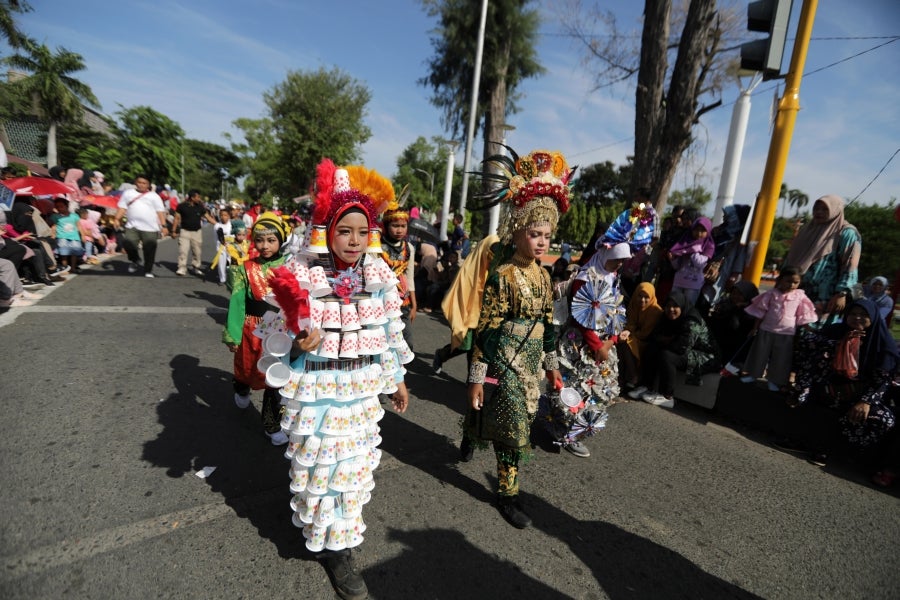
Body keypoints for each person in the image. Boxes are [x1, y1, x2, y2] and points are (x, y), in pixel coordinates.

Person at [265, 159, 410, 600]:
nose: (354, 240)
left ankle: (340, 543)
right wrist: (297, 345)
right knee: (320, 472)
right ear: (327, 231)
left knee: (354, 471)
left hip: (361, 391)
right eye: (344, 230)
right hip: (315, 392)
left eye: (362, 231)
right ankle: (332, 548)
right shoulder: (302, 274)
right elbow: (274, 339)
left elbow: (389, 333)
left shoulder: (379, 275)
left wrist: (396, 380)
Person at [462, 149, 569, 529]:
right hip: (506, 358)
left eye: (547, 235)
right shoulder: (504, 274)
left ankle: (472, 432)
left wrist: (552, 368)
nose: (541, 242)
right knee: (515, 428)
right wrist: (477, 377)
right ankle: (508, 494)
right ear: (518, 230)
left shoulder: (544, 275)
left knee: (513, 418)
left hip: (532, 362)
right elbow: (487, 328)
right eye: (534, 234)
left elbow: (549, 325)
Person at [788, 299, 898, 466]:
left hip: (859, 395)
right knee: (806, 390)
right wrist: (839, 344)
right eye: (853, 314)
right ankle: (803, 442)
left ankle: (834, 451)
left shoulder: (882, 343)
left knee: (884, 419)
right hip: (828, 386)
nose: (857, 318)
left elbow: (883, 379)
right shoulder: (836, 331)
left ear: (873, 317)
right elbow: (808, 342)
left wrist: (865, 402)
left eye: (863, 315)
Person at [222, 212, 290, 444]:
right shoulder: (246, 268)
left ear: (281, 240)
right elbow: (237, 301)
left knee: (277, 380)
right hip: (253, 328)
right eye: (260, 240)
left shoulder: (291, 266)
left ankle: (272, 424)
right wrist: (232, 334)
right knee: (247, 369)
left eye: (271, 240)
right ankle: (241, 388)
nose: (265, 246)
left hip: (281, 330)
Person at [630, 290, 720, 407]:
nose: (671, 309)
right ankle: (646, 386)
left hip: (707, 357)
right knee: (652, 347)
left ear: (682, 305)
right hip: (686, 349)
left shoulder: (692, 320)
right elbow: (655, 336)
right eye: (668, 306)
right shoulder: (666, 316)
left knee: (667, 355)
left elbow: (682, 347)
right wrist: (668, 340)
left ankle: (667, 396)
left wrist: (667, 340)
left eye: (675, 306)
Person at [740, 266, 818, 392]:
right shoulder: (771, 294)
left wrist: (809, 329)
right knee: (759, 353)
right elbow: (760, 312)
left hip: (786, 333)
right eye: (788, 281)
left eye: (795, 282)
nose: (791, 285)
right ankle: (753, 374)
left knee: (781, 358)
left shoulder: (800, 296)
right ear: (780, 280)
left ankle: (774, 380)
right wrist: (755, 328)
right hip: (766, 329)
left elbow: (802, 315)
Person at [784, 195, 861, 321]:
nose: (819, 212)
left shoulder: (846, 232)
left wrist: (841, 293)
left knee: (816, 330)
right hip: (795, 292)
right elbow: (790, 259)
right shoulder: (807, 230)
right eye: (816, 208)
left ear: (835, 210)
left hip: (825, 298)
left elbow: (850, 265)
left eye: (825, 209)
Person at [697, 204, 751, 316]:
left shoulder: (739, 239)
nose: (724, 218)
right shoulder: (720, 231)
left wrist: (734, 275)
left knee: (705, 302)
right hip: (704, 271)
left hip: (719, 275)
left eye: (728, 216)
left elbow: (739, 259)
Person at [115, 175, 168, 278]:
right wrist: (117, 219)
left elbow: (160, 212)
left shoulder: (154, 196)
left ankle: (148, 270)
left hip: (150, 228)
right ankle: (135, 260)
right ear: (135, 183)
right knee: (128, 243)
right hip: (132, 226)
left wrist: (164, 226)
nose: (141, 185)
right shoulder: (128, 193)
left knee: (149, 250)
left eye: (144, 183)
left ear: (148, 185)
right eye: (139, 182)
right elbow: (122, 207)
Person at [380, 202, 417, 349]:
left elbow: (410, 277)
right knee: (384, 342)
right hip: (381, 299)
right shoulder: (376, 246)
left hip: (403, 301)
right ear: (386, 225)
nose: (399, 230)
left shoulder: (409, 248)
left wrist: (414, 305)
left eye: (403, 226)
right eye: (395, 226)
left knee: (407, 344)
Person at [618, 282, 664, 392]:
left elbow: (645, 333)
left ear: (651, 297)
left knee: (627, 343)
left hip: (646, 341)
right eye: (639, 296)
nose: (642, 300)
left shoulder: (655, 311)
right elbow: (630, 323)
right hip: (635, 337)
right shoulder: (634, 304)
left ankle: (633, 376)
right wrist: (628, 330)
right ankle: (622, 379)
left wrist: (630, 333)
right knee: (621, 342)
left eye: (646, 297)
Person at [706, 280, 759, 373]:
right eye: (733, 293)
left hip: (739, 353)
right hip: (721, 347)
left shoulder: (755, 312)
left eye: (740, 294)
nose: (735, 296)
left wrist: (740, 308)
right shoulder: (724, 304)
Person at [667, 216, 715, 307]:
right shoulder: (684, 242)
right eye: (696, 229)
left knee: (687, 308)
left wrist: (692, 252)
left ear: (708, 231)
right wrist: (673, 259)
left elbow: (700, 264)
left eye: (702, 230)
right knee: (673, 306)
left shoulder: (708, 246)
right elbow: (676, 266)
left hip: (693, 285)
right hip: (678, 282)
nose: (699, 233)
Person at [172, 189, 216, 277]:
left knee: (197, 251)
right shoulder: (181, 206)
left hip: (197, 232)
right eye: (198, 197)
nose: (199, 199)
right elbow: (176, 218)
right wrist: (173, 231)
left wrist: (219, 225)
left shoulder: (200, 207)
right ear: (192, 198)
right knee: (183, 250)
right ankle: (182, 267)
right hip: (184, 231)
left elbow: (207, 217)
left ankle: (196, 267)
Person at [210, 219, 250, 286]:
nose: (241, 237)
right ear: (235, 234)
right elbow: (235, 256)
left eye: (243, 235)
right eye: (239, 235)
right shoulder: (232, 245)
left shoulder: (246, 243)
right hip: (236, 267)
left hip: (245, 268)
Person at [51, 198, 85, 274]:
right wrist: (53, 235)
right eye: (57, 207)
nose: (59, 208)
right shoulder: (55, 216)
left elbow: (79, 226)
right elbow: (54, 226)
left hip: (74, 237)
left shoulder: (74, 215)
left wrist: (83, 235)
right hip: (62, 237)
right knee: (64, 254)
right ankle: (65, 268)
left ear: (67, 206)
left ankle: (73, 268)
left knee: (74, 253)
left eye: (61, 206)